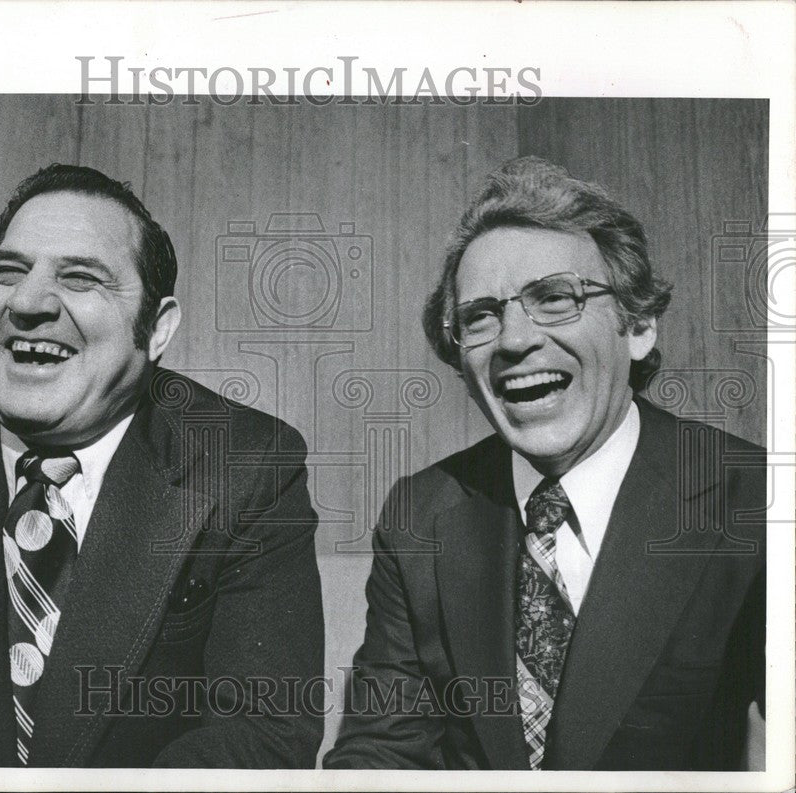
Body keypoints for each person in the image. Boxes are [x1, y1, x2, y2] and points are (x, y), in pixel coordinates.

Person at [0, 164, 324, 768]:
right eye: (8, 271)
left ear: (157, 329)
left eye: (82, 279)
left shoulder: (246, 463)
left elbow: (264, 732)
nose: (27, 302)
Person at [324, 156, 765, 771]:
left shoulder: (757, 500)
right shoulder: (421, 514)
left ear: (636, 326)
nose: (513, 340)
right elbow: (381, 752)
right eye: (481, 316)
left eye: (555, 298)